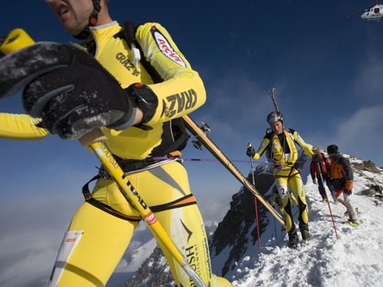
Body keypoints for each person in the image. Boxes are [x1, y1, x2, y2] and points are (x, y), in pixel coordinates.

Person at [0, 0, 232, 286]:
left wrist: (131, 107)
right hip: (110, 187)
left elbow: (192, 86)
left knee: (199, 284)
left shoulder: (140, 36)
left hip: (162, 181)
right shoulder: (76, 61)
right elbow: (39, 126)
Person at [246, 111, 315, 247]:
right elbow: (258, 155)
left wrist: (314, 155)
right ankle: (292, 235)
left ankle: (304, 227)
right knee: (286, 206)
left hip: (293, 171)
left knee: (302, 203)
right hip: (279, 175)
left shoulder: (292, 133)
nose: (275, 128)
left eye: (277, 124)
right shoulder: (268, 138)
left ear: (282, 123)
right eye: (272, 126)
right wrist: (252, 153)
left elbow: (305, 146)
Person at [326, 144, 359, 227]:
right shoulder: (333, 160)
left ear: (332, 152)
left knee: (347, 199)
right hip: (338, 183)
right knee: (336, 197)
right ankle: (350, 209)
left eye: (329, 153)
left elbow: (349, 174)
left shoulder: (342, 161)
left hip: (346, 182)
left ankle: (354, 220)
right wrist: (329, 175)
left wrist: (349, 186)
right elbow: (333, 170)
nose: (328, 154)